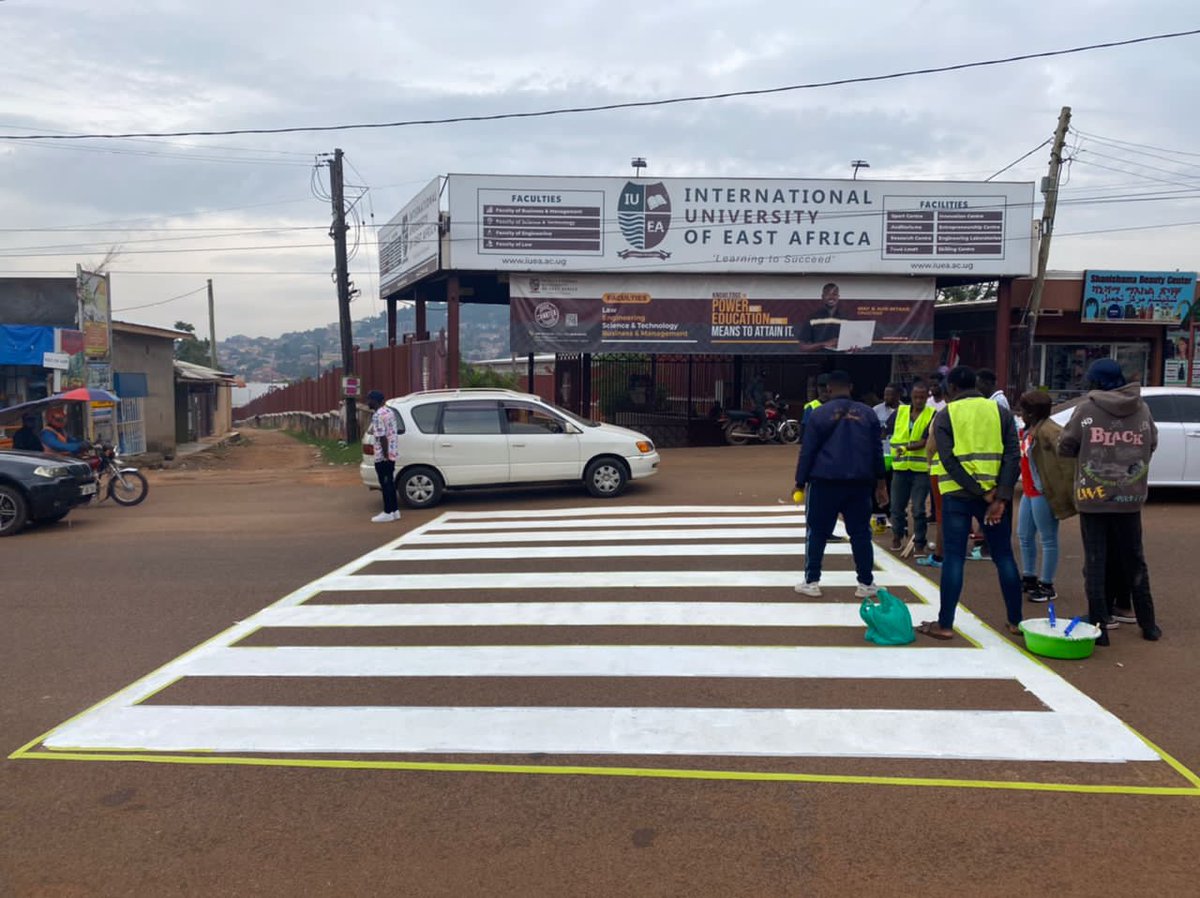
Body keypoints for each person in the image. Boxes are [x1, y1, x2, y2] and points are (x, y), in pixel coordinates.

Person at [1058, 358, 1160, 644]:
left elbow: (1066, 445)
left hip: (1093, 496)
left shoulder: (1086, 409)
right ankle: (1148, 624)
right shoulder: (1142, 408)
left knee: (1095, 560)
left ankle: (1100, 626)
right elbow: (1152, 442)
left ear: (1096, 381)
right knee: (1135, 559)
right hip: (1130, 496)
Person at [918, 366, 1023, 640]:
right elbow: (1013, 455)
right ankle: (1015, 621)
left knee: (954, 558)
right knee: (1003, 557)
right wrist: (1000, 495)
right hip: (996, 499)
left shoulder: (945, 415)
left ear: (952, 388)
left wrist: (979, 491)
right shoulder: (1001, 412)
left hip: (957, 496)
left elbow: (949, 461)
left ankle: (945, 624)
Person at [793, 370, 888, 598]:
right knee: (860, 533)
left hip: (824, 482)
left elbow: (808, 451)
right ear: (851, 387)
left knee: (816, 532)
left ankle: (812, 581)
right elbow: (877, 451)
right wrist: (881, 483)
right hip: (859, 483)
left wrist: (799, 482)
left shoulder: (819, 414)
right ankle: (865, 583)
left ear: (828, 389)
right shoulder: (867, 414)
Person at [1015, 390, 1076, 603]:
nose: (1020, 413)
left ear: (1032, 413)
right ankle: (1030, 577)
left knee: (1047, 539)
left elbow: (1064, 461)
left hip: (1042, 491)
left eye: (1023, 410)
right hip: (1030, 491)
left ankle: (1047, 584)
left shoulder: (1049, 431)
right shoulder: (1029, 430)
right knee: (1024, 535)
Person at [888, 381, 934, 555]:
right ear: (911, 397)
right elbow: (887, 432)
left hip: (921, 469)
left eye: (922, 397)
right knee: (897, 507)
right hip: (900, 467)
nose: (919, 400)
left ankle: (920, 541)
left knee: (919, 508)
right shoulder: (900, 412)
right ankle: (897, 536)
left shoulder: (932, 414)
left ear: (927, 397)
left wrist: (905, 448)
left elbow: (925, 440)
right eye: (916, 397)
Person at [366, 389, 401, 523]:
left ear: (376, 401)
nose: (368, 402)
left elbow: (382, 437)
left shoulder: (377, 415)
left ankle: (387, 512)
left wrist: (384, 455)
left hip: (383, 455)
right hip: (392, 452)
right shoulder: (389, 411)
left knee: (385, 483)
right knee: (390, 482)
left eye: (369, 400)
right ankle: (395, 510)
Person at [795, 283, 844, 351]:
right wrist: (823, 344)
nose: (831, 297)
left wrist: (853, 349)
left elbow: (851, 344)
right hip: (819, 360)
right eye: (828, 294)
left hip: (840, 360)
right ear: (822, 297)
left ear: (838, 297)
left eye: (834, 294)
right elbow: (802, 347)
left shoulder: (846, 318)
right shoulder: (812, 318)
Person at [798, 373, 830, 444]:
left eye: (826, 386)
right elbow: (805, 431)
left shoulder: (839, 405)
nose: (824, 390)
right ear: (817, 388)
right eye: (821, 386)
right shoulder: (810, 407)